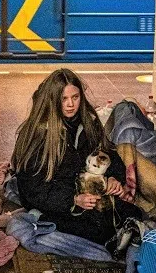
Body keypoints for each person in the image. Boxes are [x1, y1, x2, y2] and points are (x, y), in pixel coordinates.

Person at [11, 69, 141, 245]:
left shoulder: (88, 123)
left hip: (87, 193)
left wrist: (113, 178)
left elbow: (109, 154)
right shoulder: (37, 134)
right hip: (53, 200)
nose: (71, 104)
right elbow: (32, 188)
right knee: (99, 230)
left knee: (134, 214)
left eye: (75, 97)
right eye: (64, 99)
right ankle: (38, 217)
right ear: (53, 100)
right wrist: (73, 200)